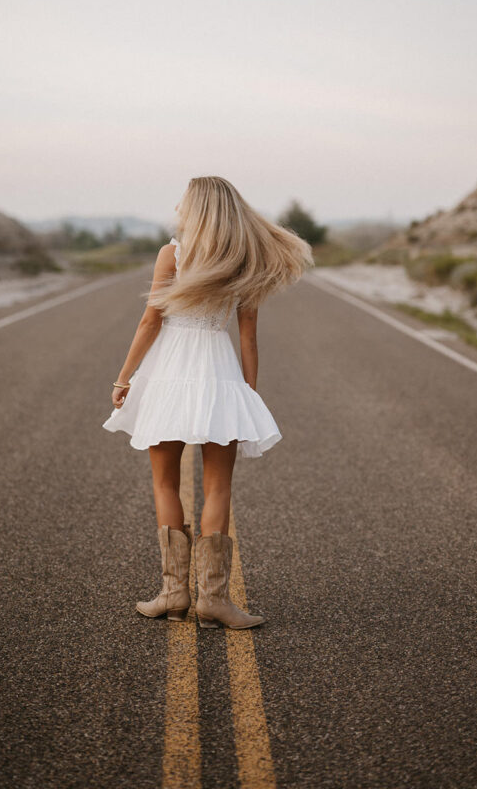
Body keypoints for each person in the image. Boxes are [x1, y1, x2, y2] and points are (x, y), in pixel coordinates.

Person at [102, 176, 313, 628]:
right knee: (218, 487)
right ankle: (213, 600)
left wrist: (124, 379)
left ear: (195, 210)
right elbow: (248, 335)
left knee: (165, 484)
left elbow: (149, 322)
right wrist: (248, 393)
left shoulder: (172, 254)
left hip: (167, 375)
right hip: (220, 376)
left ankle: (173, 594)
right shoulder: (244, 258)